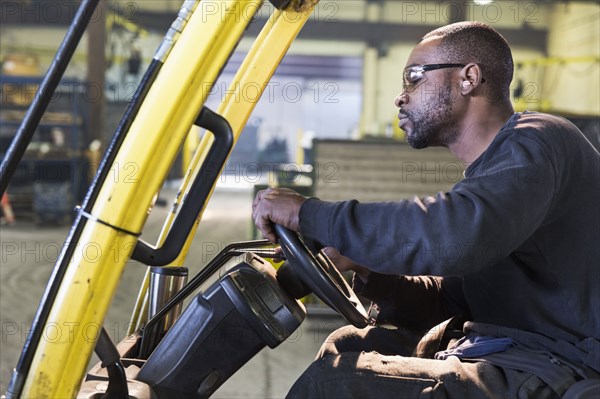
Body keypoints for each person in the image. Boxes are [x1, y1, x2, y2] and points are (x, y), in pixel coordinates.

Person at [252, 21, 600, 398]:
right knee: (348, 345)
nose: (400, 98)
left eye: (414, 78)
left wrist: (311, 215)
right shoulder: (490, 181)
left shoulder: (539, 140)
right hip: (502, 352)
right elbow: (447, 302)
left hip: (559, 364)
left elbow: (454, 234)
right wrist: (367, 266)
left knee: (331, 383)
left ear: (468, 78)